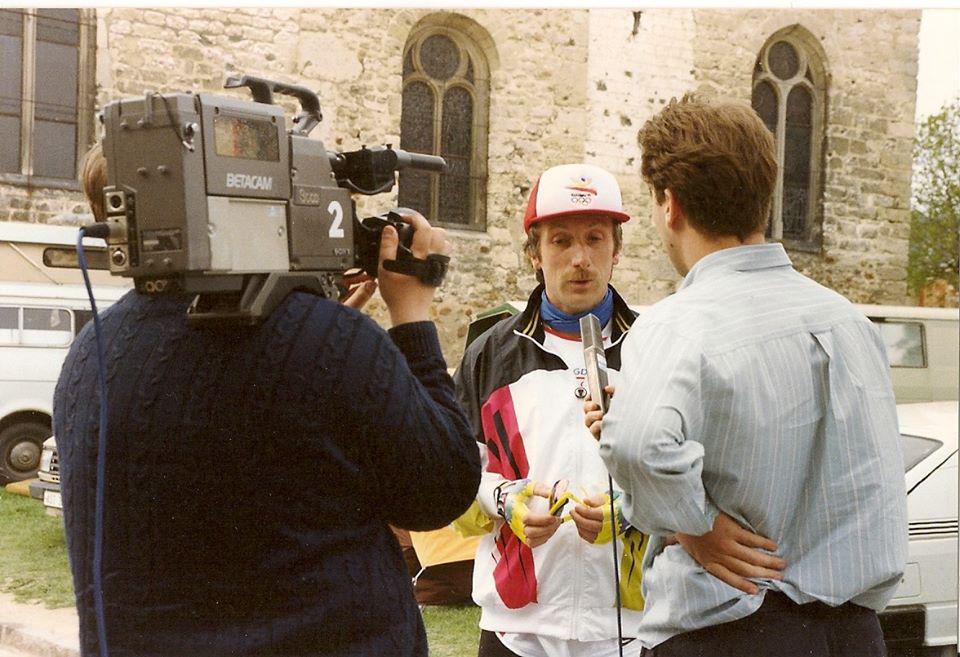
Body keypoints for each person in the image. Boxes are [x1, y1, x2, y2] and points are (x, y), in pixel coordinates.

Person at [54, 143, 481, 657]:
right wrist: (410, 316)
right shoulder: (330, 343)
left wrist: (319, 328)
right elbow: (440, 490)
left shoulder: (91, 351)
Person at [588, 96, 907, 657]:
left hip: (732, 632)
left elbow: (639, 446)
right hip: (855, 633)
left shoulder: (676, 325)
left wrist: (696, 525)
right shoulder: (850, 322)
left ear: (671, 205)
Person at [456, 163, 782, 657]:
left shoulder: (661, 345)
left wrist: (633, 513)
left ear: (617, 250)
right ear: (534, 254)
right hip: (515, 629)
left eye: (595, 239)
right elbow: (454, 479)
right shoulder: (490, 353)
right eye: (561, 241)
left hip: (630, 628)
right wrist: (505, 501)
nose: (580, 258)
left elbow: (705, 476)